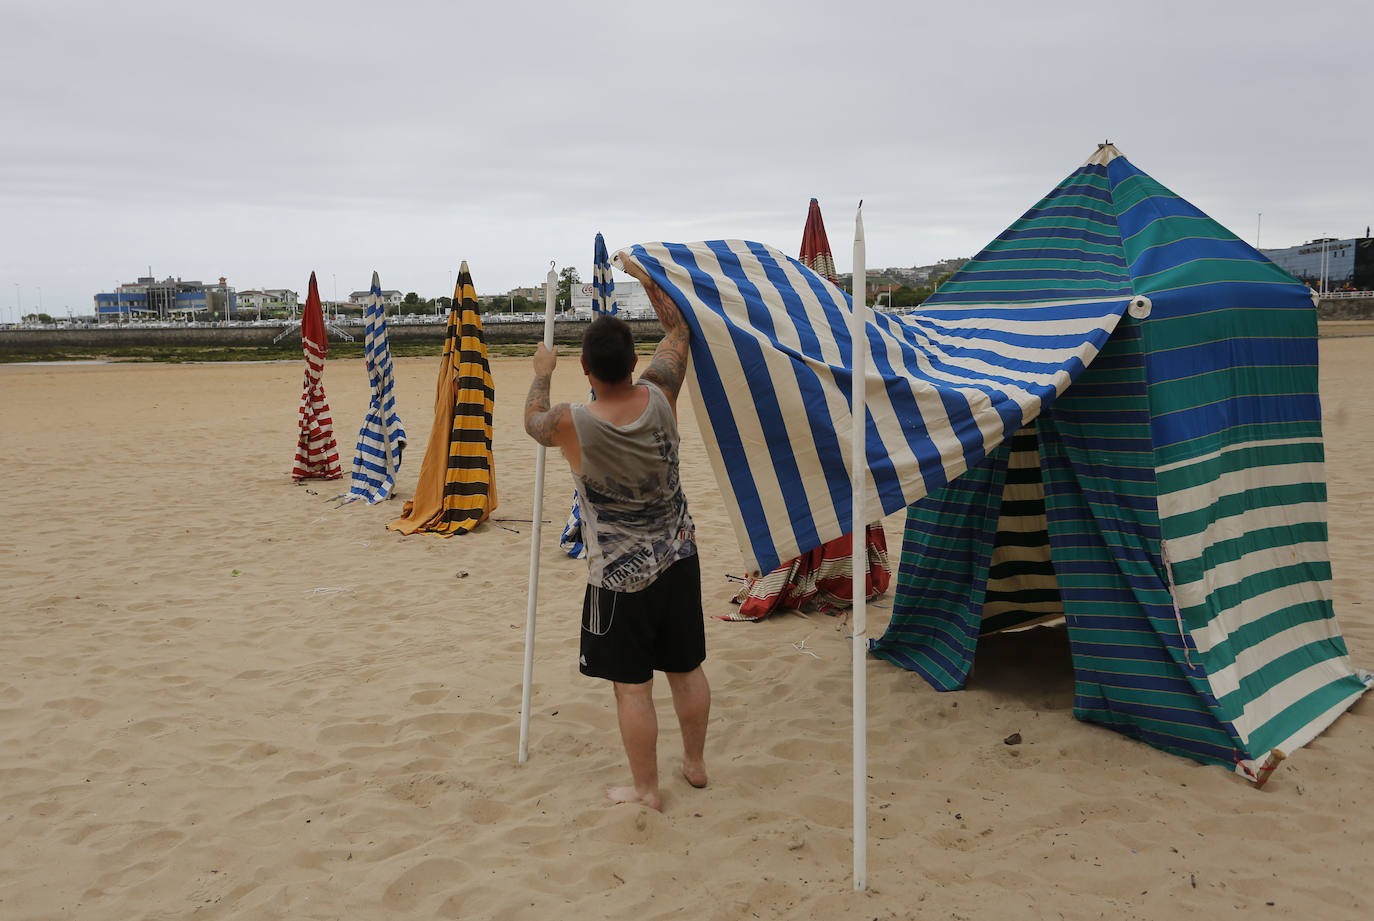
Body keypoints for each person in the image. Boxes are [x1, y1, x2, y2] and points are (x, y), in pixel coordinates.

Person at [523, 274, 709, 811]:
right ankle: (694, 765)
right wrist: (650, 277)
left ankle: (647, 790)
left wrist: (542, 372)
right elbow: (678, 332)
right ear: (633, 362)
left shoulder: (571, 423)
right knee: (686, 667)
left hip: (618, 578)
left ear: (586, 369)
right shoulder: (660, 391)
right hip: (679, 558)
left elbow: (531, 419)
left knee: (632, 687)